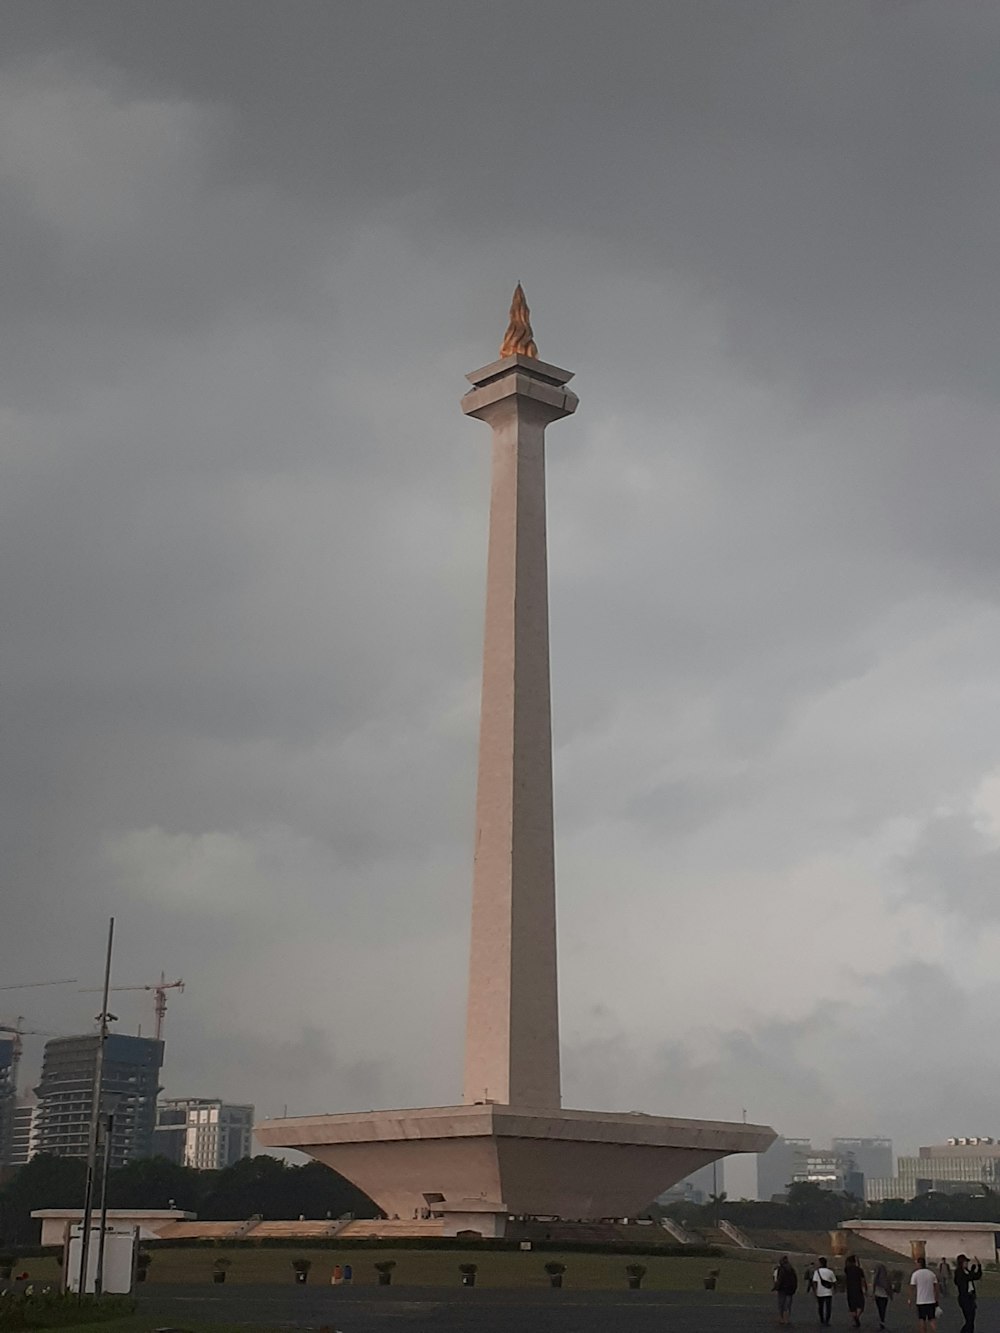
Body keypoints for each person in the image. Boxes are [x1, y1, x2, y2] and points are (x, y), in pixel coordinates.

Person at [954, 1253, 983, 1333]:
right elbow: (964, 1279)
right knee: (969, 1320)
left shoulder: (967, 1271)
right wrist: (972, 1271)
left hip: (971, 1297)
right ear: (961, 1263)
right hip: (964, 1298)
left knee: (972, 1320)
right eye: (965, 1262)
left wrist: (979, 1266)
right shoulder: (959, 1272)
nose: (966, 1263)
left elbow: (977, 1276)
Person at [909, 1259, 939, 1333]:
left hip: (921, 1301)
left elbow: (912, 1287)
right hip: (931, 1300)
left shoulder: (915, 1274)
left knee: (922, 1319)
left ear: (919, 1264)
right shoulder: (931, 1274)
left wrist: (910, 1299)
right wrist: (937, 1299)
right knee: (932, 1319)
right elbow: (936, 1287)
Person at [811, 1256, 837, 1326]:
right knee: (828, 1307)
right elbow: (834, 1282)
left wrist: (815, 1291)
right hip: (828, 1292)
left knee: (820, 1306)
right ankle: (827, 1320)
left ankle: (822, 1319)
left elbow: (814, 1282)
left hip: (820, 1292)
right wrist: (834, 1289)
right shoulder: (830, 1272)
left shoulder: (817, 1272)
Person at [844, 1254, 868, 1328]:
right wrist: (865, 1289)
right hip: (858, 1289)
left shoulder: (847, 1269)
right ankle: (857, 1317)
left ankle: (855, 1317)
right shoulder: (859, 1270)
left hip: (850, 1290)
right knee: (861, 1305)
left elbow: (846, 1266)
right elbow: (863, 1280)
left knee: (852, 1306)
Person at [774, 1255, 799, 1325]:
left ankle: (781, 1318)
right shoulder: (792, 1269)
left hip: (782, 1289)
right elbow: (795, 1279)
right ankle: (787, 1319)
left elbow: (780, 1279)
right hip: (790, 1289)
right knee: (788, 1305)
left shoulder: (781, 1269)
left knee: (781, 1304)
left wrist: (776, 1287)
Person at [871, 1261, 894, 1329]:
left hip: (877, 1295)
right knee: (883, 1309)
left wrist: (873, 1293)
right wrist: (891, 1295)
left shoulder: (876, 1278)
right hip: (884, 1296)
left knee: (879, 1309)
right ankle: (882, 1320)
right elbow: (888, 1287)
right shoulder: (886, 1277)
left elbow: (873, 1285)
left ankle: (881, 1320)